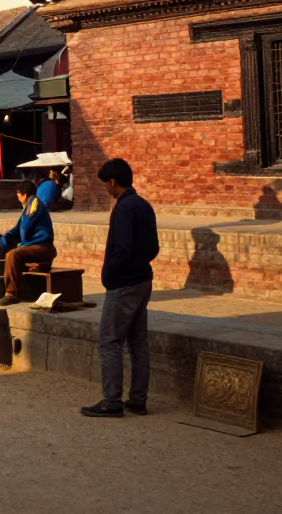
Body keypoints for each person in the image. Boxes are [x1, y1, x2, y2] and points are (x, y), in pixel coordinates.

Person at [82, 158, 160, 419]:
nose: (106, 189)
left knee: (109, 341)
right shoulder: (143, 205)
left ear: (113, 182)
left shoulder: (124, 208)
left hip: (124, 283)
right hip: (142, 279)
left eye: (106, 184)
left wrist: (111, 274)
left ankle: (112, 401)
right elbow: (153, 248)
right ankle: (137, 400)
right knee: (138, 343)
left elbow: (123, 248)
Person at [0, 179, 56, 306]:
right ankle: (25, 291)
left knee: (12, 255)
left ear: (24, 194)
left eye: (18, 193)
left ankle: (11, 294)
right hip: (35, 246)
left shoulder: (34, 205)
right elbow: (17, 229)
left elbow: (24, 229)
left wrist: (16, 244)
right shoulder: (30, 205)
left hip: (43, 247)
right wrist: (2, 241)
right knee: (12, 250)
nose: (17, 196)